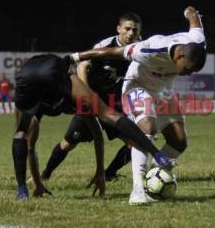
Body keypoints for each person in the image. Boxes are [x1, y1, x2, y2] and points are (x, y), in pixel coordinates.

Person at [70, 5, 206, 205]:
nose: (188, 73)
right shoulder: (149, 49)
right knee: (146, 128)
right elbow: (111, 51)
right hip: (137, 85)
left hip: (163, 90)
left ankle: (155, 175)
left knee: (179, 141)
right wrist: (74, 57)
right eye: (187, 69)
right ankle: (138, 191)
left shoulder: (198, 43)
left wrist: (190, 13)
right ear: (179, 56)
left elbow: (195, 21)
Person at [12, 54, 173, 200]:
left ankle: (22, 190)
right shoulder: (75, 92)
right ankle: (157, 153)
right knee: (109, 113)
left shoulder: (34, 108)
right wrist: (100, 171)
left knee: (22, 134)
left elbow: (31, 148)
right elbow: (97, 132)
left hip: (27, 75)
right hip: (48, 69)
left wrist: (100, 172)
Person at [41, 12, 142, 182]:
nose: (131, 33)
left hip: (114, 104)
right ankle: (45, 175)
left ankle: (109, 174)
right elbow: (82, 65)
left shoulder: (141, 48)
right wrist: (86, 94)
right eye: (127, 29)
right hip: (93, 101)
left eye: (135, 30)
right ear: (119, 29)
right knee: (68, 143)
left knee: (135, 143)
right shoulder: (105, 45)